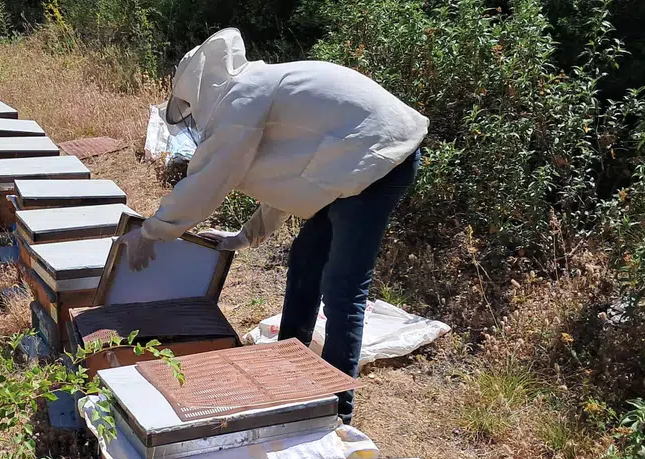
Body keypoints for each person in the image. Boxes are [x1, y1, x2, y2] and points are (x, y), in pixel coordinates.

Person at [118, 28, 428, 424]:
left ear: (202, 86)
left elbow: (208, 180)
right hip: (347, 160)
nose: (192, 114)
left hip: (379, 159)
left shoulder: (243, 98)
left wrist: (153, 231)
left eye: (189, 104)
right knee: (305, 260)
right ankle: (291, 367)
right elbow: (292, 181)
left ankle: (334, 409)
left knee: (342, 288)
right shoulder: (254, 94)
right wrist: (245, 236)